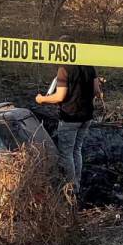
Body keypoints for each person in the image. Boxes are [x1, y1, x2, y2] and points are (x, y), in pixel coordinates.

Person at [35, 35, 103, 193]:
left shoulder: (64, 68)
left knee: (66, 153)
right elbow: (97, 93)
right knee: (77, 150)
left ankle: (71, 189)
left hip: (70, 117)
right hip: (87, 117)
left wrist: (42, 99)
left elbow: (59, 97)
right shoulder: (89, 66)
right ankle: (77, 185)